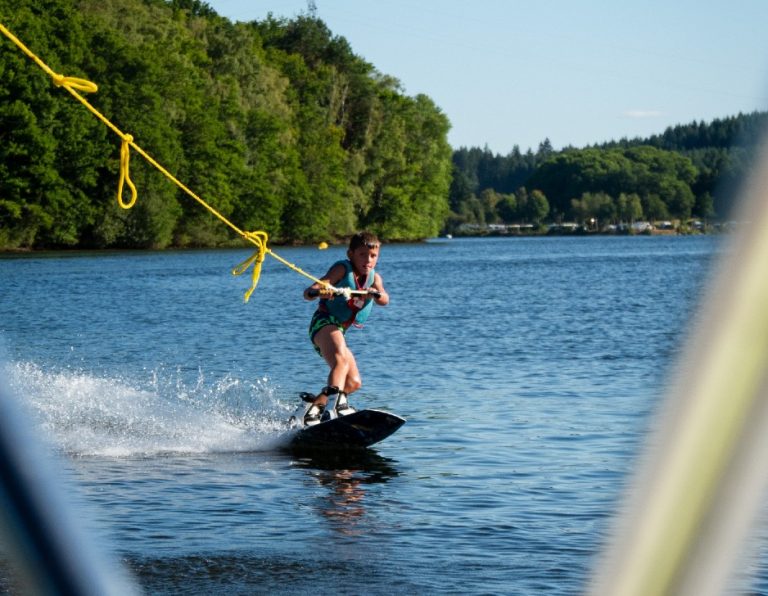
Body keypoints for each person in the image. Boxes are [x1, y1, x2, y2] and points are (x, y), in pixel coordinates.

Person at [302, 232, 389, 425]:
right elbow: (312, 290)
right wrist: (318, 292)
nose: (368, 260)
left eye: (373, 256)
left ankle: (313, 409)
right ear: (351, 254)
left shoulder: (374, 280)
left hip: (338, 330)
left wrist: (374, 294)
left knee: (353, 382)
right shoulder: (342, 268)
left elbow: (384, 299)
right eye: (362, 255)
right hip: (323, 324)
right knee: (341, 362)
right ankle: (333, 407)